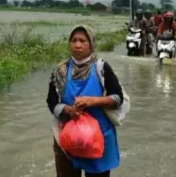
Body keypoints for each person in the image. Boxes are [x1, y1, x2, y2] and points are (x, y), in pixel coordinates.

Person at [46, 25, 123, 177]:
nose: (77, 45)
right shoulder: (60, 70)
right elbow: (51, 101)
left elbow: (118, 98)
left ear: (91, 44)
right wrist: (68, 110)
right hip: (68, 138)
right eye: (73, 40)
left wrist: (93, 101)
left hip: (98, 138)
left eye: (82, 40)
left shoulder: (101, 68)